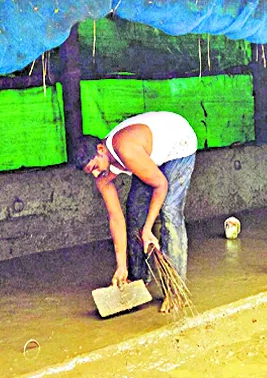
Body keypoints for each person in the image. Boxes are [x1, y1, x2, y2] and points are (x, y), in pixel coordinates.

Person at [76, 111, 197, 295]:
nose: (95, 174)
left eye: (94, 167)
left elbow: (161, 185)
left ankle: (175, 291)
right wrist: (121, 266)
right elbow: (116, 218)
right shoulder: (102, 176)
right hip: (152, 154)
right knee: (134, 209)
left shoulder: (125, 149)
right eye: (89, 172)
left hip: (179, 143)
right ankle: (138, 278)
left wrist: (148, 229)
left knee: (169, 211)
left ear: (101, 150)